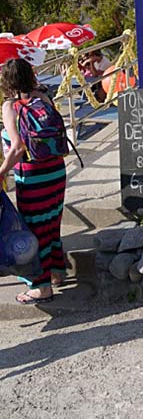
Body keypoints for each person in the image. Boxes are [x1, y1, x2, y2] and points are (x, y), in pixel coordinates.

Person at [0, 58, 67, 304]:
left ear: (6, 80)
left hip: (33, 175)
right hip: (56, 170)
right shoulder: (44, 97)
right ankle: (58, 271)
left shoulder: (10, 106)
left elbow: (17, 148)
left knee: (34, 227)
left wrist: (2, 171)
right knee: (52, 222)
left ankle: (41, 287)